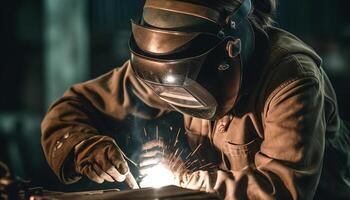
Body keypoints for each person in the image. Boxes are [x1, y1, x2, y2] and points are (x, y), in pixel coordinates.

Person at [41, 0, 350, 199]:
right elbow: (73, 109)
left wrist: (187, 178)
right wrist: (84, 147)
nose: (172, 93)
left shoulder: (291, 80)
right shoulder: (167, 65)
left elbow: (283, 191)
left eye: (185, 81)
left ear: (230, 52)